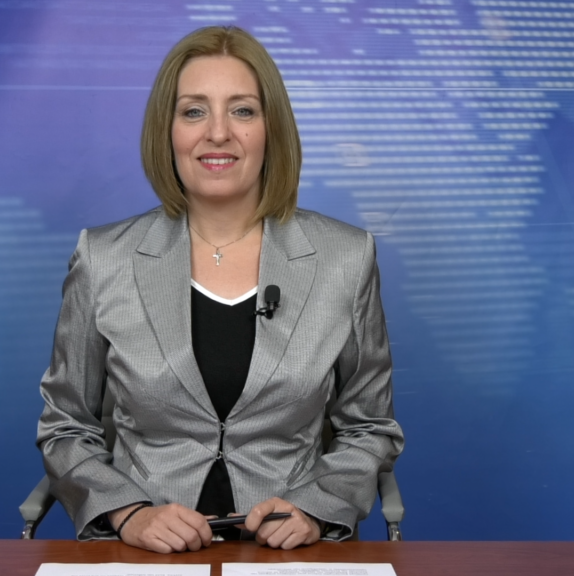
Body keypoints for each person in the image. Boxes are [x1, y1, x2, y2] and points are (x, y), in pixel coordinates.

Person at [36, 25, 403, 554]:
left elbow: (370, 427)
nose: (217, 133)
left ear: (272, 129)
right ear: (167, 131)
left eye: (242, 111)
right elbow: (66, 426)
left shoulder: (345, 257)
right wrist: (128, 513)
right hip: (147, 554)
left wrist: (316, 508)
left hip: (288, 554)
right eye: (193, 111)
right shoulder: (103, 257)